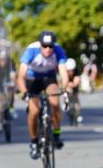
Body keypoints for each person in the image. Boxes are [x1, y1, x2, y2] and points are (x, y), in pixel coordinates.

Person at [16, 31, 70, 159]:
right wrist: (24, 92)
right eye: (44, 46)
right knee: (34, 111)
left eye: (50, 46)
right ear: (40, 45)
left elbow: (63, 74)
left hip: (48, 78)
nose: (48, 49)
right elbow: (21, 76)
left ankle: (56, 134)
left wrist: (63, 88)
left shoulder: (58, 51)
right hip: (32, 79)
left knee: (55, 102)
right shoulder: (31, 50)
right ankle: (34, 142)